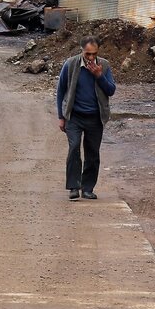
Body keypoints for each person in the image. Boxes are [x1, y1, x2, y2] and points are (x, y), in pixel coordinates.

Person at [55, 35, 115, 201]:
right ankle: (74, 187)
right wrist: (61, 116)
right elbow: (61, 91)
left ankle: (87, 188)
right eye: (87, 54)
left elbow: (111, 90)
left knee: (92, 153)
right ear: (82, 51)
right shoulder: (71, 64)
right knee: (74, 148)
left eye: (94, 54)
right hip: (74, 116)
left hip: (95, 117)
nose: (90, 58)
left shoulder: (104, 65)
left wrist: (99, 76)